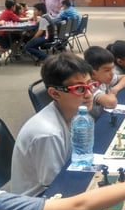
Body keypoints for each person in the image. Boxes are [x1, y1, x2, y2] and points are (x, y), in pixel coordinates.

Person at [10, 53, 98, 196]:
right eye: (79, 89)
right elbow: (57, 186)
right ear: (55, 94)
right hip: (37, 202)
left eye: (90, 85)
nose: (89, 94)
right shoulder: (49, 134)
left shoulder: (74, 114)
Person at [84, 46, 125, 117]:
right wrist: (112, 94)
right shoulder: (90, 86)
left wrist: (115, 89)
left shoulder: (103, 79)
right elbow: (111, 103)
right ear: (93, 73)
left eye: (112, 69)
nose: (112, 73)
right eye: (107, 70)